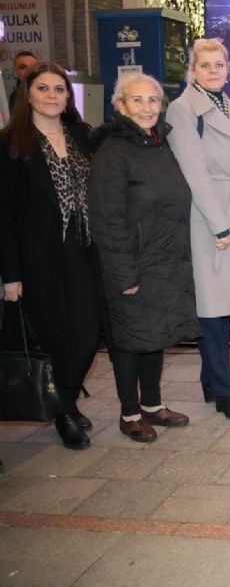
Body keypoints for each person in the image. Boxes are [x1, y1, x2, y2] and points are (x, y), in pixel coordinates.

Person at [88, 73, 198, 442]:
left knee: (155, 334)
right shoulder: (113, 151)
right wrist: (124, 274)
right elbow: (106, 219)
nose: (148, 107)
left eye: (153, 100)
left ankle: (152, 405)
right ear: (119, 105)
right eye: (137, 100)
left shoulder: (158, 143)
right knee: (129, 340)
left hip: (163, 261)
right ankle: (130, 413)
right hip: (132, 263)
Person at [0, 63, 102, 449]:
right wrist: (11, 274)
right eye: (43, 88)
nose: (52, 96)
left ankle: (66, 398)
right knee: (56, 336)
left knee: (88, 332)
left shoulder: (82, 135)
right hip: (37, 258)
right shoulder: (10, 143)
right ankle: (65, 413)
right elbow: (4, 214)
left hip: (83, 249)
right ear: (27, 95)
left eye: (59, 89)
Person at [165, 38, 230, 421]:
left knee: (221, 303)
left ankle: (212, 381)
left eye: (219, 64)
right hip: (207, 216)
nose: (214, 70)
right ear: (193, 70)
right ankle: (223, 389)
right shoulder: (183, 108)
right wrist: (219, 226)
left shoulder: (227, 105)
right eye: (205, 65)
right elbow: (194, 172)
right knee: (212, 307)